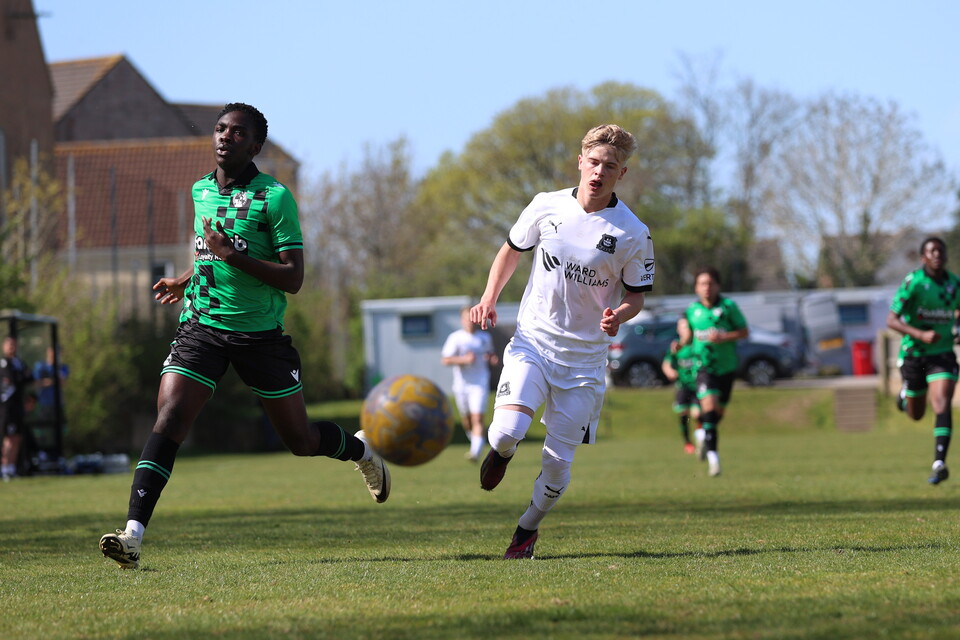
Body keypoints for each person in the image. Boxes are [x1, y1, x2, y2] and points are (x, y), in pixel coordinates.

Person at [99, 103, 390, 569]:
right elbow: (209, 253)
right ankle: (132, 535)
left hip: (260, 337)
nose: (224, 137)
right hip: (202, 325)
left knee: (299, 439)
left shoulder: (275, 198)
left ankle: (360, 450)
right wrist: (186, 278)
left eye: (237, 133)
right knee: (170, 418)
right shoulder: (199, 190)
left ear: (255, 146)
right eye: (219, 129)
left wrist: (232, 257)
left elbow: (293, 278)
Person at [471, 124, 655, 559]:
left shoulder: (633, 233)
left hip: (585, 363)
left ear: (621, 173)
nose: (599, 172)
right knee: (505, 432)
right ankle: (502, 452)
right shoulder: (545, 205)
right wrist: (488, 298)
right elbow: (512, 250)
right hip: (533, 342)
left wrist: (619, 317)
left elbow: (636, 296)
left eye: (610, 166)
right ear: (580, 162)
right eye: (593, 162)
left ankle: (526, 530)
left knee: (557, 464)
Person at [886, 236, 960, 485]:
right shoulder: (914, 283)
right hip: (915, 354)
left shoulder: (954, 284)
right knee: (916, 415)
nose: (937, 254)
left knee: (941, 402)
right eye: (932, 251)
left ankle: (939, 462)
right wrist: (920, 334)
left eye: (941, 250)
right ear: (923, 258)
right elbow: (892, 320)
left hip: (942, 354)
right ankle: (907, 395)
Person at [682, 267, 749, 477]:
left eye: (710, 283)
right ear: (696, 287)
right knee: (709, 407)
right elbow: (686, 334)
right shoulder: (692, 311)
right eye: (702, 283)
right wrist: (680, 341)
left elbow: (744, 332)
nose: (706, 288)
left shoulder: (729, 307)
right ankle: (714, 460)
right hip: (703, 367)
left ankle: (702, 433)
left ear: (718, 286)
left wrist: (724, 337)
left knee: (716, 415)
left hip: (727, 367)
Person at [441, 306, 500, 462]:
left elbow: (489, 353)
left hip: (480, 382)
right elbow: (446, 360)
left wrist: (492, 359)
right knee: (467, 421)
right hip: (462, 385)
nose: (469, 322)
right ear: (462, 320)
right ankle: (476, 439)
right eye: (466, 318)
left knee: (477, 418)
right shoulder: (455, 338)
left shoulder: (484, 337)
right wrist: (464, 360)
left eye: (471, 318)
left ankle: (475, 452)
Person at [662, 317, 699, 454]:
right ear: (678, 330)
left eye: (687, 327)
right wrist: (670, 371)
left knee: (696, 414)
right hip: (682, 386)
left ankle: (700, 435)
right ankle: (688, 442)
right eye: (682, 327)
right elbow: (666, 364)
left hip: (697, 385)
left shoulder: (696, 345)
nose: (684, 330)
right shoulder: (675, 347)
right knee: (683, 413)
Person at [1, 336, 34, 480]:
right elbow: (13, 379)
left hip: (18, 407)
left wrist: (22, 376)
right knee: (8, 438)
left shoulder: (19, 362)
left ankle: (12, 468)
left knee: (17, 438)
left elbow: (29, 377)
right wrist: (21, 376)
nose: (11, 347)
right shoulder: (4, 363)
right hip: (7, 407)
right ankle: (4, 468)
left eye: (13, 345)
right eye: (9, 345)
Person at [33, 346, 68, 421]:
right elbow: (37, 383)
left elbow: (62, 382)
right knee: (42, 428)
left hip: (58, 404)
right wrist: (53, 381)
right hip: (43, 404)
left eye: (59, 353)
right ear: (49, 351)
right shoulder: (40, 366)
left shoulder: (62, 367)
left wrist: (48, 381)